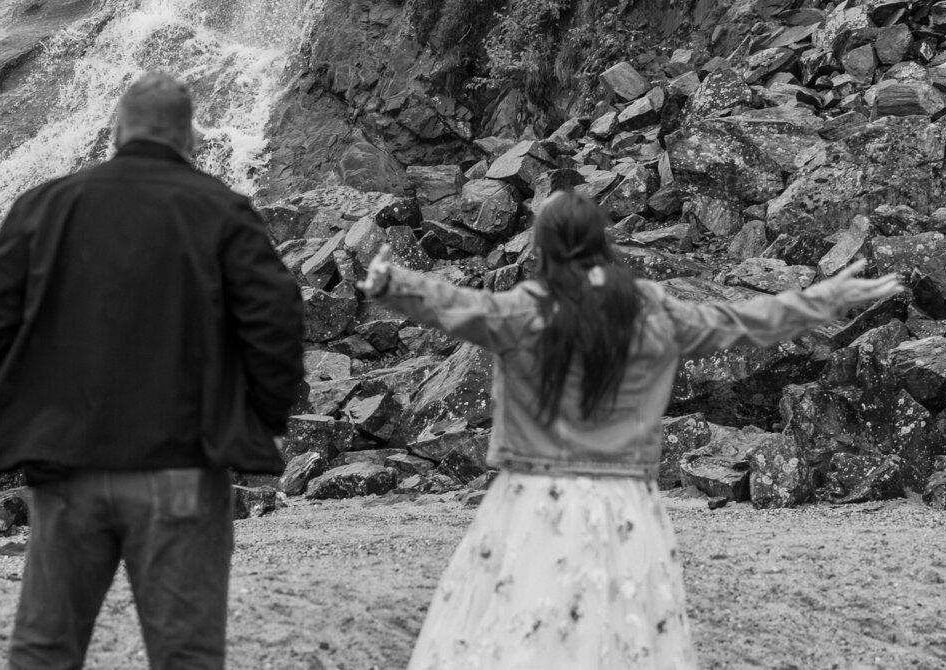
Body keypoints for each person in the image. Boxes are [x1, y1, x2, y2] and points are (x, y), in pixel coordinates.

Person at [363, 190, 903, 670]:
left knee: (517, 630)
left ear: (544, 251)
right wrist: (824, 299)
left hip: (531, 501)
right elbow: (743, 322)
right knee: (618, 636)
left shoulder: (525, 312)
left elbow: (457, 306)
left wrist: (394, 284)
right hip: (623, 506)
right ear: (603, 244)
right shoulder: (651, 313)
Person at [0, 73, 304, 670]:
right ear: (190, 137)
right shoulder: (221, 209)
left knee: (44, 649)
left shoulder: (47, 204)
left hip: (66, 465)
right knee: (186, 654)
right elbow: (276, 322)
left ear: (116, 129)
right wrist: (260, 418)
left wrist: (14, 405)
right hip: (183, 467)